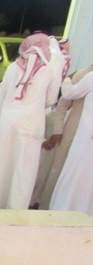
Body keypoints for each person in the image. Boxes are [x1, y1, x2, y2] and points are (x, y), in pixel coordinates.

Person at [0, 33, 61, 209]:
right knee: (23, 169)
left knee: (2, 163)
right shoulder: (48, 69)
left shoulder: (13, 67)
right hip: (30, 122)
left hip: (8, 121)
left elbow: (1, 97)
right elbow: (51, 100)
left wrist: (2, 119)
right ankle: (16, 210)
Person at [33, 64, 93, 208]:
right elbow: (63, 104)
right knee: (59, 168)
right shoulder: (82, 74)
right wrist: (57, 130)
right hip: (72, 129)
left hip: (86, 134)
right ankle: (47, 205)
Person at [49, 70, 93, 216]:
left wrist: (67, 79)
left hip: (86, 138)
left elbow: (69, 93)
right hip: (85, 136)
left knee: (76, 173)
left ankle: (67, 210)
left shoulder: (90, 76)